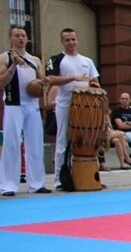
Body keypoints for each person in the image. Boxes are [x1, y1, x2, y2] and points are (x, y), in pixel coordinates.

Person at [46, 27, 101, 190]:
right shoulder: (57, 59)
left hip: (85, 106)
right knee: (62, 141)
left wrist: (94, 87)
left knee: (88, 140)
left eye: (73, 39)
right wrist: (73, 78)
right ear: (62, 42)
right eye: (67, 40)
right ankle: (59, 179)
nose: (71, 42)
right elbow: (51, 79)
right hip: (65, 104)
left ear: (77, 40)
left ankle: (88, 175)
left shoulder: (87, 61)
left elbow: (95, 81)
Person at [0, 26, 50, 196]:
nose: (21, 38)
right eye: (17, 35)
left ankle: (36, 183)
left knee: (35, 143)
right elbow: (1, 82)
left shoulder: (35, 60)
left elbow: (42, 81)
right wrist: (13, 66)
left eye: (23, 35)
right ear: (11, 38)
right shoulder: (5, 57)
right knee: (11, 143)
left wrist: (45, 83)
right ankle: (8, 185)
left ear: (27, 38)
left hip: (32, 104)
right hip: (14, 104)